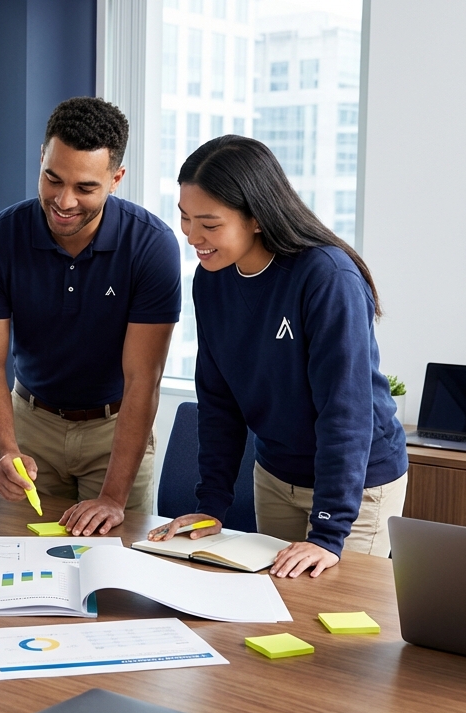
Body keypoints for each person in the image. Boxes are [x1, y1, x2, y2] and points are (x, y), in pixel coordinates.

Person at [148, 135, 408, 578]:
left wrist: (328, 533)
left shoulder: (327, 278)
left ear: (256, 217)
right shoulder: (211, 280)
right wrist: (211, 506)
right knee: (277, 602)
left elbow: (344, 413)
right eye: (185, 218)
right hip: (275, 476)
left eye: (209, 224)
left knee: (329, 606)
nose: (191, 236)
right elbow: (218, 401)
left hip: (357, 487)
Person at [0, 97, 181, 535]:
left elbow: (144, 378)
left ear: (116, 179)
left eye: (85, 188)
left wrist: (113, 497)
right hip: (31, 425)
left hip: (116, 430)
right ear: (41, 158)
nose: (64, 201)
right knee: (23, 556)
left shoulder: (151, 246)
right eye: (53, 179)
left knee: (118, 561)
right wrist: (6, 450)